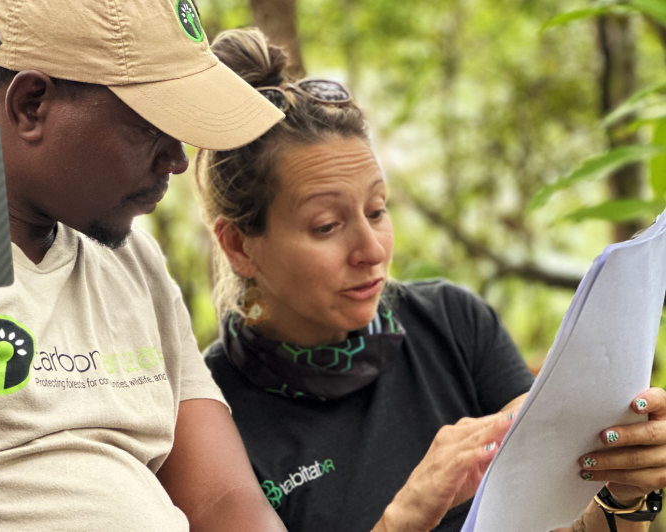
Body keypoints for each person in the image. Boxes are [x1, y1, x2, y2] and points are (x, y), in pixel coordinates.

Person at [195, 27, 666, 532]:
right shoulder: (209, 418)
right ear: (239, 246)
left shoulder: (452, 324)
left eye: (377, 211)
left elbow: (556, 526)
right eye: (327, 226)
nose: (371, 251)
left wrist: (622, 491)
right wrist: (404, 517)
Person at [0, 1, 290, 531]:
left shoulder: (130, 259)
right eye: (151, 126)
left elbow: (225, 502)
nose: (178, 159)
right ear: (31, 105)